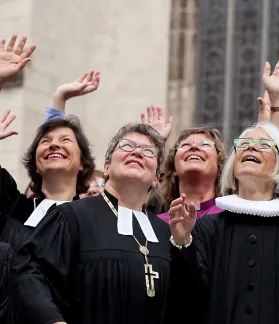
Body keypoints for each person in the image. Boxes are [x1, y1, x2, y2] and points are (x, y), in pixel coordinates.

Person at [12, 123, 194, 324]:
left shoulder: (165, 231)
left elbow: (186, 303)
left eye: (149, 151)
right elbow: (30, 274)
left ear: (156, 178)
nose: (137, 152)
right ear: (107, 167)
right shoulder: (71, 216)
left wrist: (182, 244)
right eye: (127, 146)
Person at [172, 111, 279, 323]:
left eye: (263, 144)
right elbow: (190, 298)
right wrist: (182, 243)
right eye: (243, 143)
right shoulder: (208, 226)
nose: (250, 147)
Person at [0, 113, 95, 250]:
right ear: (36, 165)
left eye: (65, 140)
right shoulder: (13, 205)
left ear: (82, 163)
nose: (54, 144)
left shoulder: (95, 219)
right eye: (46, 141)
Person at [158, 126, 226, 222]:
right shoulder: (156, 224)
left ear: (220, 166)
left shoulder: (232, 218)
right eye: (185, 145)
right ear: (173, 169)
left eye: (205, 144)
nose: (194, 147)